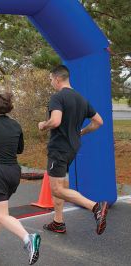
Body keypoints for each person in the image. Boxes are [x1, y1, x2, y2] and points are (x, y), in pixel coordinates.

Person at [38, 65, 107, 235]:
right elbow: (99, 121)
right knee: (58, 184)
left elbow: (55, 121)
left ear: (58, 79)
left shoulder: (58, 97)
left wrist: (43, 125)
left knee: (56, 189)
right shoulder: (81, 99)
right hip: (72, 147)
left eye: (51, 80)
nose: (51, 83)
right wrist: (82, 131)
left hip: (59, 148)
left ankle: (96, 207)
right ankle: (58, 222)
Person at [0, 93, 41, 265]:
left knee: (2, 214)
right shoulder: (16, 125)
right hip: (14, 172)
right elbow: (19, 150)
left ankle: (28, 239)